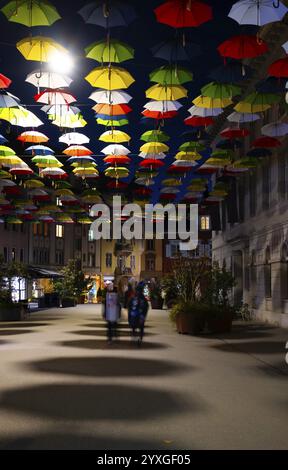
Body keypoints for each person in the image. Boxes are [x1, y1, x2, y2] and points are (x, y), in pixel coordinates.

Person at [128, 282, 149, 346]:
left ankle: (137, 338)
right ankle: (139, 338)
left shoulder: (134, 298)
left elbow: (129, 306)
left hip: (136, 315)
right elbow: (146, 307)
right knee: (140, 327)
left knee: (135, 327)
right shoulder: (141, 299)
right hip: (138, 315)